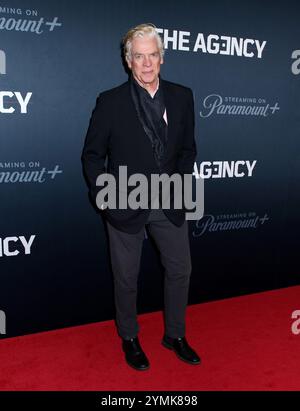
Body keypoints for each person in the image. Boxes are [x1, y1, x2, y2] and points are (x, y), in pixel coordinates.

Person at [82, 23, 200, 371]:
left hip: (169, 200)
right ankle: (130, 337)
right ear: (128, 61)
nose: (146, 63)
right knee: (126, 277)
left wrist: (177, 183)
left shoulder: (183, 96)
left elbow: (188, 150)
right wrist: (106, 197)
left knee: (181, 270)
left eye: (152, 55)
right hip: (125, 201)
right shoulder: (111, 101)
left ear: (161, 58)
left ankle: (174, 335)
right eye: (138, 56)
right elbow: (91, 156)